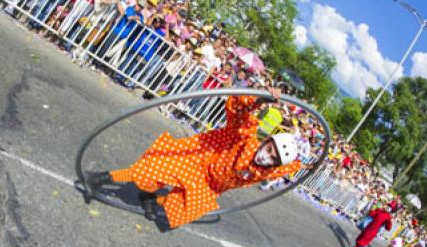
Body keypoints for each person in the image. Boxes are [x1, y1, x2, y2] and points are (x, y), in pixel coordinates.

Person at [84, 89, 306, 228]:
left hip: (210, 184)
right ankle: (101, 178)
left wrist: (308, 162)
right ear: (266, 141)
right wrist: (258, 100)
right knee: (151, 171)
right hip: (200, 159)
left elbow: (290, 167)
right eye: (269, 148)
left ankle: (150, 199)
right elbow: (240, 113)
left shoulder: (268, 171)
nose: (267, 156)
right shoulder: (246, 138)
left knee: (182, 210)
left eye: (273, 158)